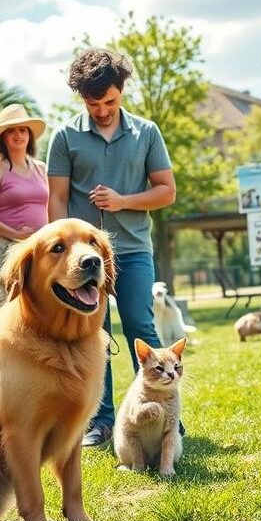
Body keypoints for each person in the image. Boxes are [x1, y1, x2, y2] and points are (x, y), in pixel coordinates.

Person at [47, 48, 176, 447]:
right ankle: (99, 421)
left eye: (110, 101)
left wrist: (123, 201)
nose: (102, 111)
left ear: (122, 90)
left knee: (140, 325)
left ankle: (163, 415)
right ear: (81, 98)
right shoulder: (64, 137)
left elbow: (166, 191)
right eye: (93, 103)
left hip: (133, 250)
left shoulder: (147, 132)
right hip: (83, 260)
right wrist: (59, 254)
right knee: (92, 335)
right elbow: (57, 200)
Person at [0, 104, 49, 308]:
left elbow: (51, 206)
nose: (18, 135)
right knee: (6, 311)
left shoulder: (41, 168)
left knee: (39, 311)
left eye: (23, 129)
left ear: (29, 135)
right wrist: (16, 234)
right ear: (3, 138)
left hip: (37, 251)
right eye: (12, 131)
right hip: (5, 250)